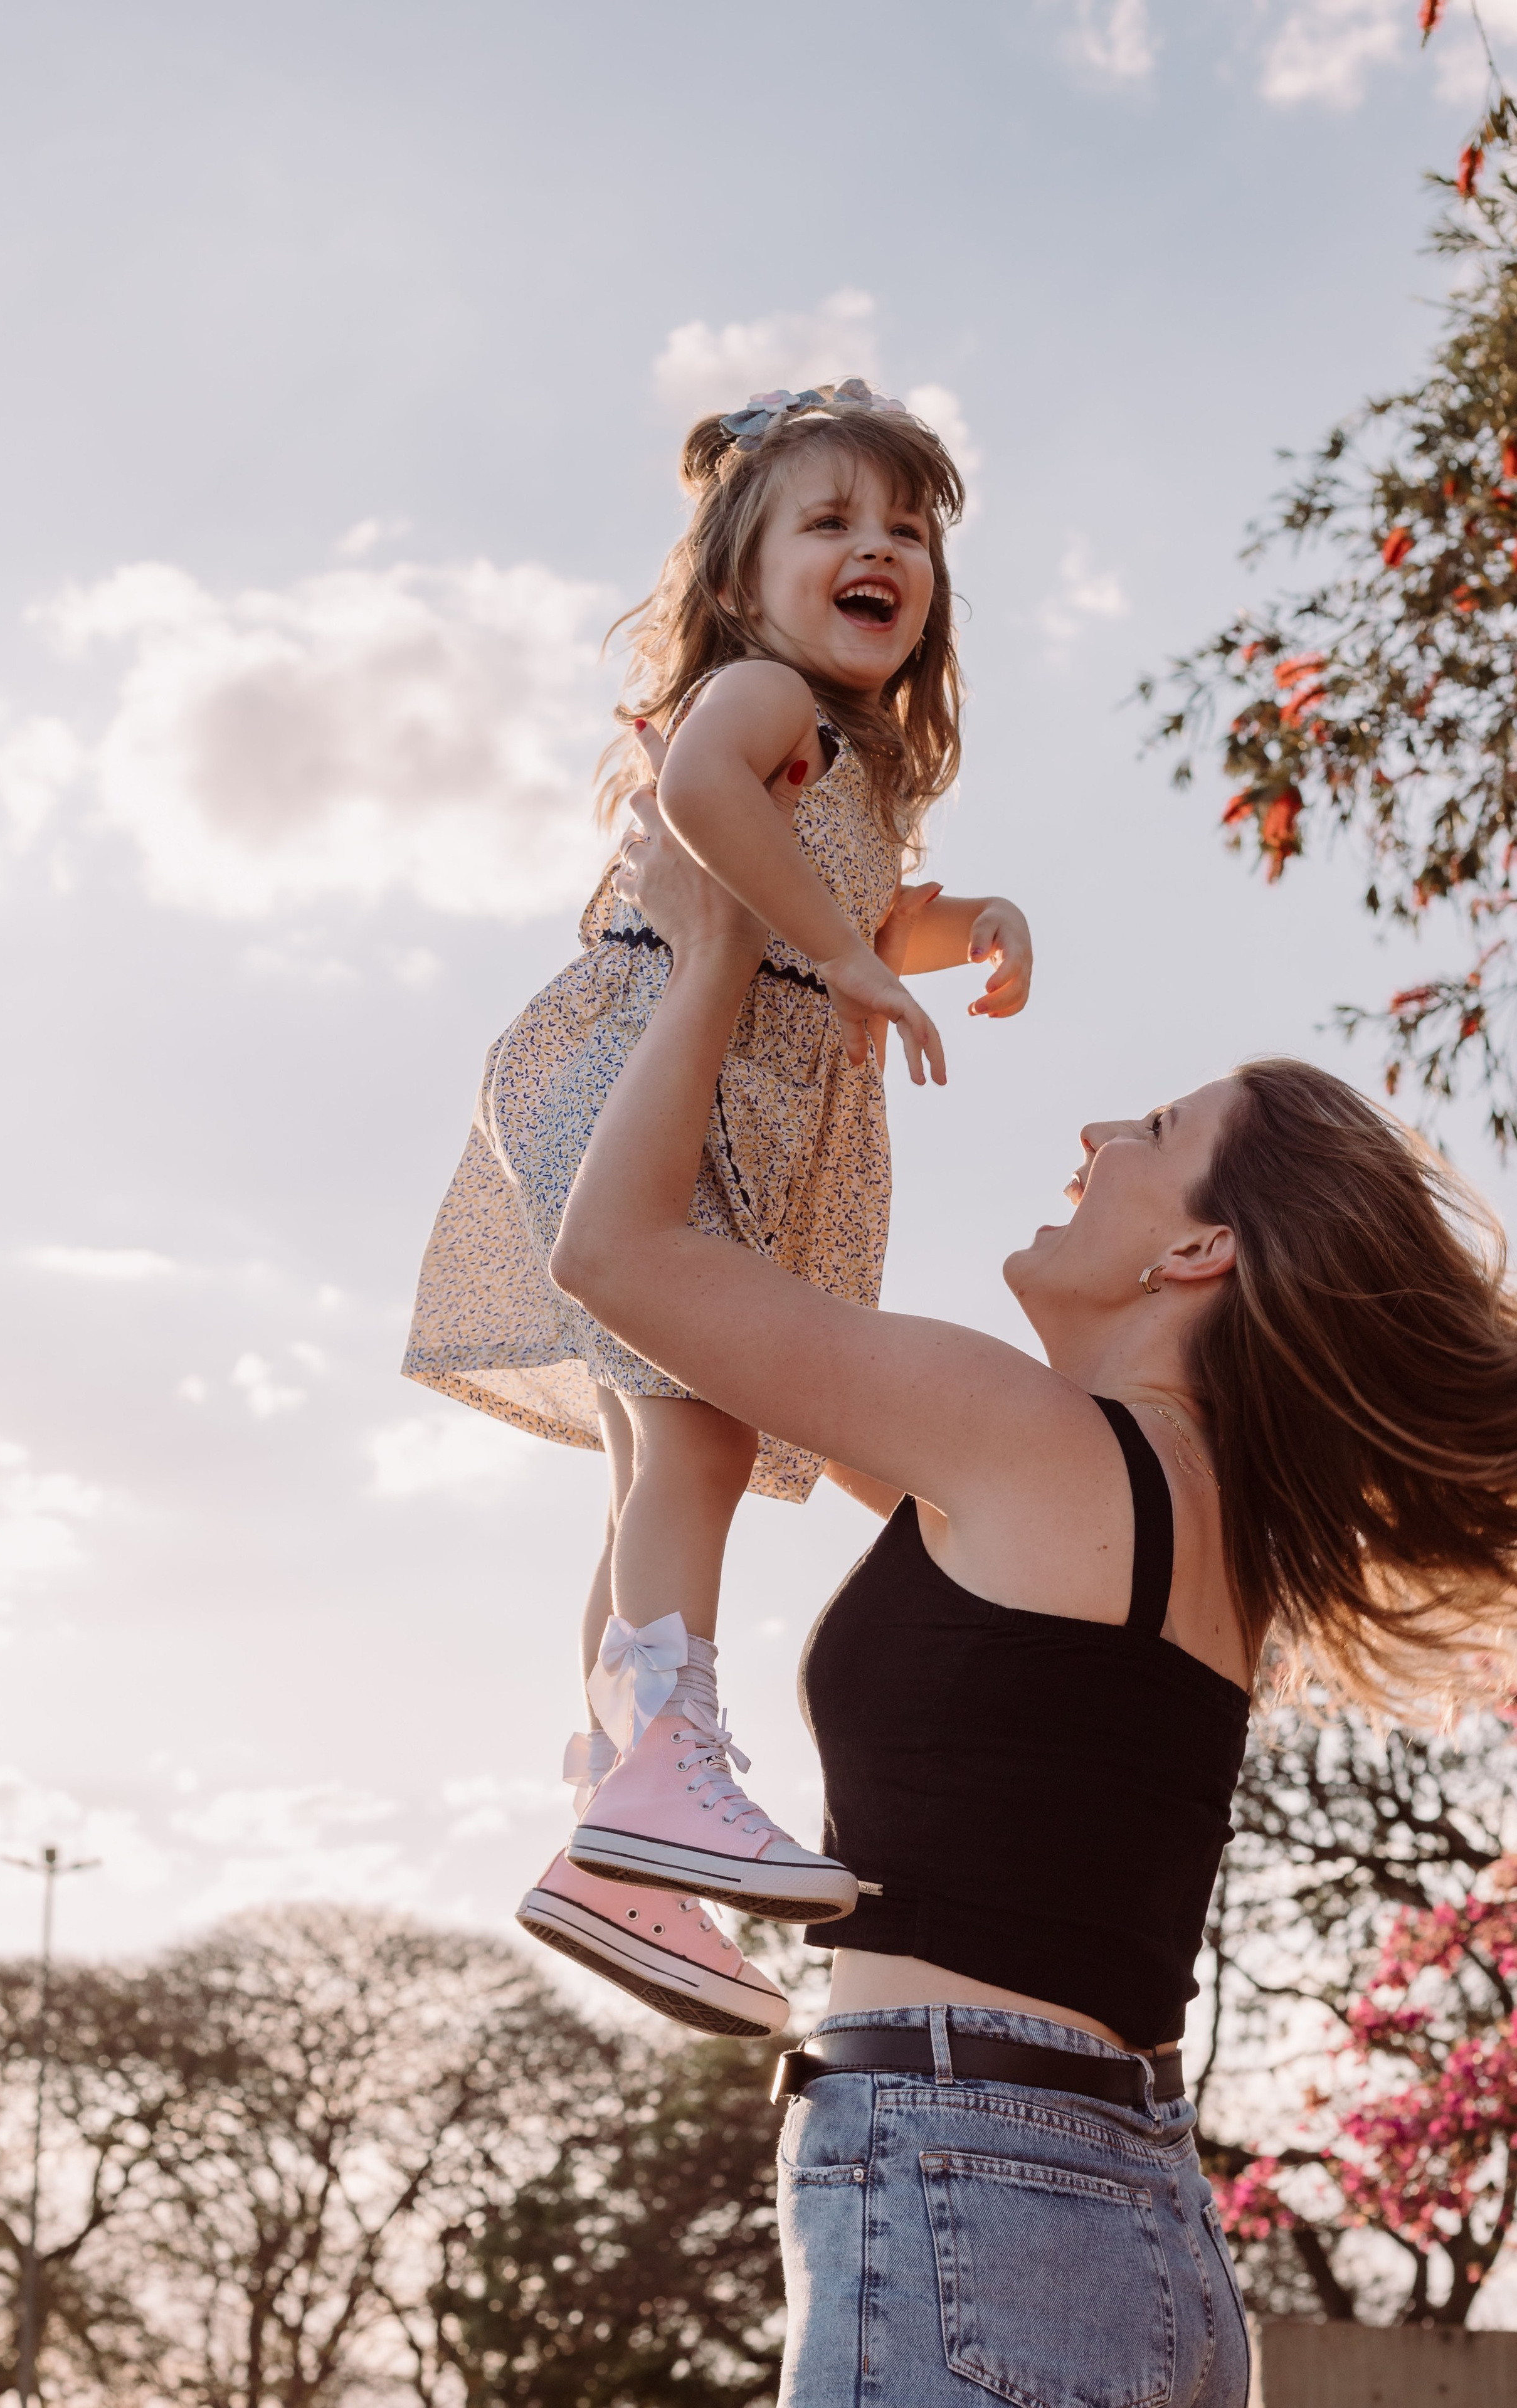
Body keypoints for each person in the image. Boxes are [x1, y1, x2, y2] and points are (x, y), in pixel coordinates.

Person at [548, 797, 1517, 2404]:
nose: (1091, 1141)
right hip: (1107, 2221)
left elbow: (619, 1257)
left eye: (1146, 1129)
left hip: (972, 2197)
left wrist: (719, 937)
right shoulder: (1192, 1514)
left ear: (1199, 1246)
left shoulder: (1032, 1441)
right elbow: (705, 1366)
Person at [403, 382, 1033, 2034]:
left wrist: (960, 925)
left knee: (654, 1461)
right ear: (742, 584)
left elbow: (870, 907)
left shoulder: (848, 759)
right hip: (634, 1072)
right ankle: (664, 1775)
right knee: (695, 1440)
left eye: (905, 530)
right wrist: (832, 951)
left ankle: (628, 1829)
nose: (878, 547)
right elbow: (699, 798)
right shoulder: (755, 700)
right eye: (830, 522)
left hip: (670, 1096)